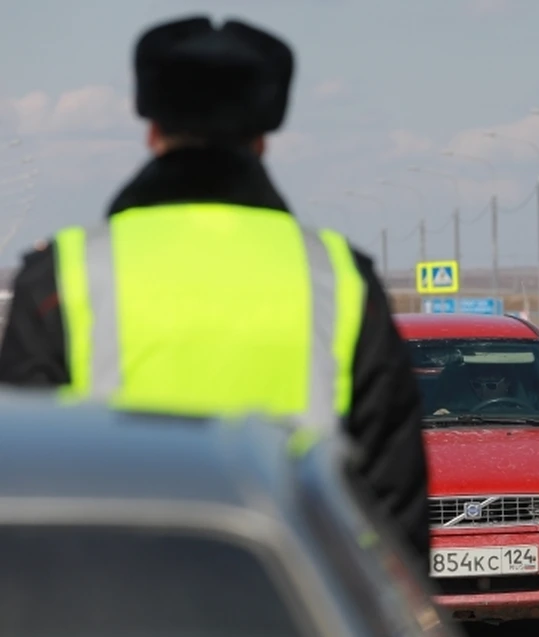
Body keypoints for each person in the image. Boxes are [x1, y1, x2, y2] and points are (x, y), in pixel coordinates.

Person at [0, 16, 430, 577]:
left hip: (110, 601)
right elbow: (394, 507)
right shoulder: (338, 276)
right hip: (295, 603)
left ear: (152, 130)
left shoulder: (64, 275)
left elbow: (21, 484)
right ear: (261, 139)